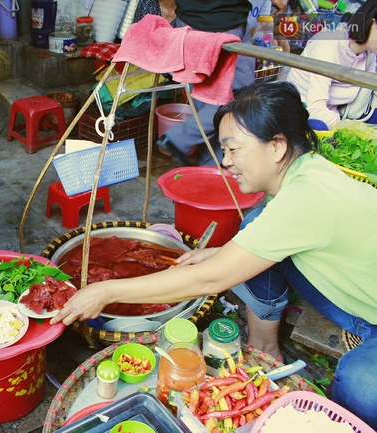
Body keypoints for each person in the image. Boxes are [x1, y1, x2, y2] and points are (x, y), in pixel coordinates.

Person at [51, 81, 377, 429]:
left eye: (234, 149)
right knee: (253, 224)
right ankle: (266, 346)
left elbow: (210, 280)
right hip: (358, 297)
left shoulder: (305, 198)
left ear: (277, 146)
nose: (226, 161)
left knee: (361, 386)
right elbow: (274, 237)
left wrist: (106, 291)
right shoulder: (307, 171)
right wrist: (225, 252)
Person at [155, 0, 256, 166]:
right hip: (223, 21)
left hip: (191, 21)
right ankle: (178, 138)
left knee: (205, 98)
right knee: (236, 98)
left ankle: (211, 169)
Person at [287, 0, 377, 128]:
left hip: (338, 114)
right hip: (305, 114)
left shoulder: (369, 55)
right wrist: (351, 133)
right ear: (372, 24)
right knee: (319, 126)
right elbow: (315, 109)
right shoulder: (329, 45)